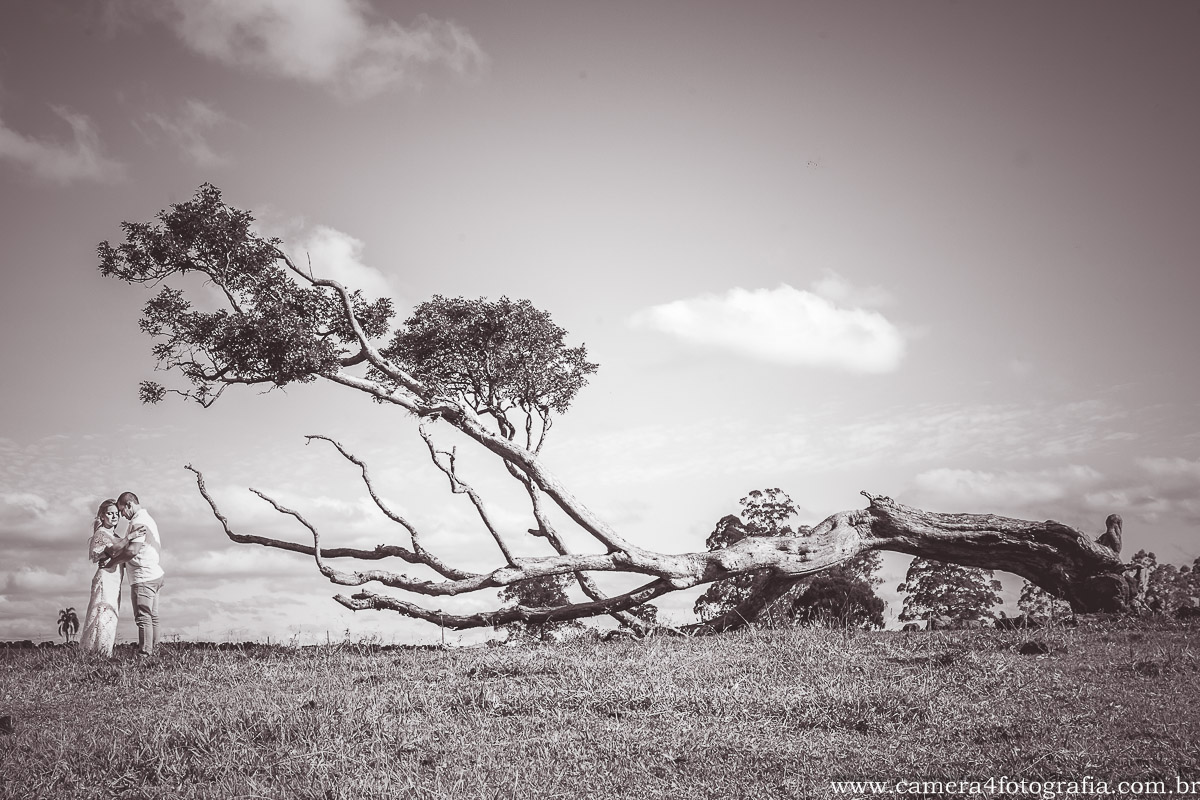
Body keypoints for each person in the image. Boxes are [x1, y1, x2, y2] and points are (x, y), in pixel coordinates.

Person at [102, 491, 164, 656]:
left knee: (143, 617)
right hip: (154, 573)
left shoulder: (138, 521)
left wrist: (112, 563)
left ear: (129, 505)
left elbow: (132, 551)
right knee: (153, 616)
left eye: (122, 511)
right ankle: (154, 652)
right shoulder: (148, 518)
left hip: (143, 576)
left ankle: (145, 654)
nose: (122, 515)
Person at [79, 499, 125, 656]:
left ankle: (105, 651)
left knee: (111, 614)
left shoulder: (116, 535)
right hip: (105, 578)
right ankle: (95, 651)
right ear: (102, 516)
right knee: (102, 613)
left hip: (115, 579)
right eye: (110, 513)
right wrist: (131, 537)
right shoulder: (101, 534)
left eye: (116, 514)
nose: (114, 517)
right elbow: (112, 551)